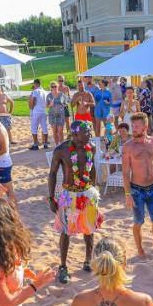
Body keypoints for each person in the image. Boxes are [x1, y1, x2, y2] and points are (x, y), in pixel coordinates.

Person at [48, 120, 103, 283]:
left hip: (87, 193)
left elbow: (92, 169)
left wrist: (94, 190)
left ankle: (88, 260)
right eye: (86, 132)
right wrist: (51, 197)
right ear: (74, 134)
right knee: (66, 231)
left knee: (89, 229)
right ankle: (63, 266)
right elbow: (52, 174)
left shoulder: (91, 147)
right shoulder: (61, 150)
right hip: (69, 195)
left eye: (90, 131)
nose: (90, 134)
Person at [122, 112, 153, 259]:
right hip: (136, 190)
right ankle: (140, 250)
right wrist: (128, 195)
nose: (133, 129)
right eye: (132, 126)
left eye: (136, 126)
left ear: (145, 127)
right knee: (138, 222)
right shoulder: (128, 147)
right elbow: (125, 173)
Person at [49, 78, 70, 146]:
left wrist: (64, 104)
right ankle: (57, 145)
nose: (54, 88)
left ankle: (62, 145)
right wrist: (50, 104)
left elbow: (67, 101)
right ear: (51, 88)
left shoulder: (61, 94)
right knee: (55, 131)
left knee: (60, 131)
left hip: (60, 115)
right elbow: (46, 105)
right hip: (52, 115)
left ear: (57, 86)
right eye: (52, 86)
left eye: (55, 86)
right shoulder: (49, 95)